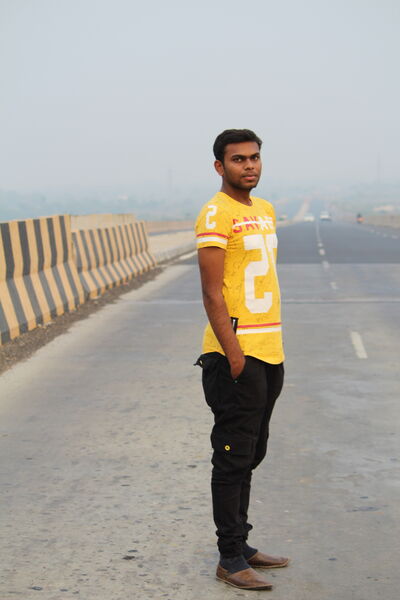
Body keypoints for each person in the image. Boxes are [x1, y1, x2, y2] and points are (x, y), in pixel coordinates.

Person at [195, 129, 288, 590]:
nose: (249, 165)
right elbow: (212, 292)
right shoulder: (216, 213)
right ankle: (230, 557)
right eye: (238, 159)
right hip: (236, 355)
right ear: (220, 166)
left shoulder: (265, 210)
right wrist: (235, 356)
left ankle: (243, 544)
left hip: (270, 352)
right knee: (232, 457)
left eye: (254, 158)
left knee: (253, 452)